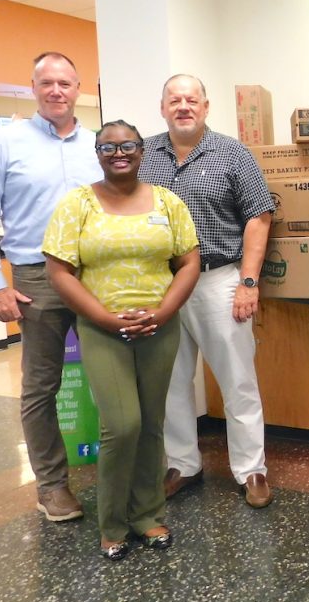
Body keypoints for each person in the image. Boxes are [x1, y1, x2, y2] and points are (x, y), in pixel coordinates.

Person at [42, 120, 200, 559]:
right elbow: (58, 271)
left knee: (151, 424)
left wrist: (164, 312)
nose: (118, 153)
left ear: (141, 150)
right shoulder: (77, 203)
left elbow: (189, 262)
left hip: (159, 327)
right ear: (97, 153)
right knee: (121, 425)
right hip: (100, 328)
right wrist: (106, 319)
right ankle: (112, 523)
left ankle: (147, 515)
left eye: (127, 145)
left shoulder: (167, 201)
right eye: (107, 147)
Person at [0, 52, 103, 522]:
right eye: (46, 83)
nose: (56, 91)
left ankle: (120, 476)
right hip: (34, 278)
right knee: (41, 387)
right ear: (33, 88)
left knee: (112, 377)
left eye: (65, 82)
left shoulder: (99, 146)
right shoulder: (4, 143)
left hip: (95, 276)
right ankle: (52, 486)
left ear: (78, 88)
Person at [139, 74, 275, 508]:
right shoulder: (143, 157)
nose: (183, 106)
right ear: (162, 108)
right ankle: (183, 464)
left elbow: (259, 216)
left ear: (206, 106)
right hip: (162, 287)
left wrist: (248, 282)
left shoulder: (233, 153)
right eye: (174, 100)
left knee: (238, 381)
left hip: (219, 281)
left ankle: (251, 470)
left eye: (191, 99)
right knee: (171, 382)